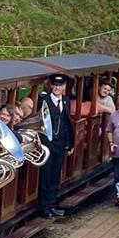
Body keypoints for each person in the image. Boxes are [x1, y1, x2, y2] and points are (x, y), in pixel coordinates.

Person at [39, 74, 75, 219]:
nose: (57, 88)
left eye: (60, 85)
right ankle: (44, 207)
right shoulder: (43, 101)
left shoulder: (65, 101)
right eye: (55, 85)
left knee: (55, 175)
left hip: (60, 143)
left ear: (64, 86)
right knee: (46, 176)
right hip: (48, 144)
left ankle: (52, 204)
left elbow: (67, 123)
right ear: (51, 86)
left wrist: (70, 143)